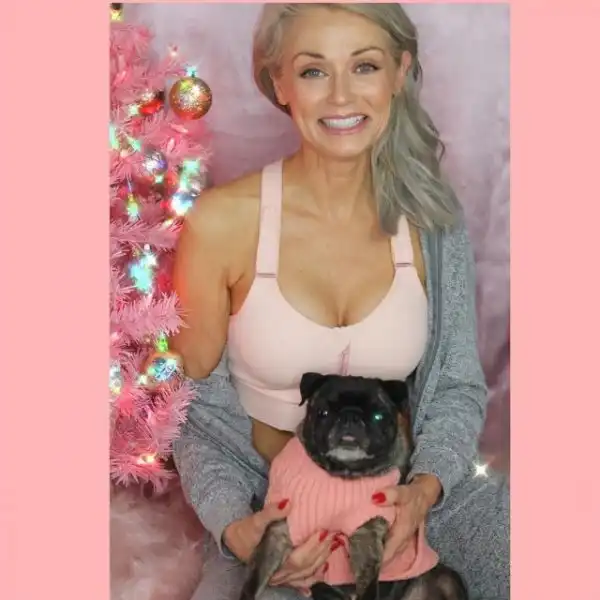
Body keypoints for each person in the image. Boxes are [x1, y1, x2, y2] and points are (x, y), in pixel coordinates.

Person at [171, 4, 509, 600]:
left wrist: (424, 490)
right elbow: (192, 413)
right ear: (279, 83)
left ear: (399, 72)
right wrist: (236, 526)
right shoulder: (221, 223)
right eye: (313, 71)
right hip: (276, 511)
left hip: (410, 495)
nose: (341, 96)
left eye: (365, 66)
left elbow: (456, 386)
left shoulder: (432, 221)